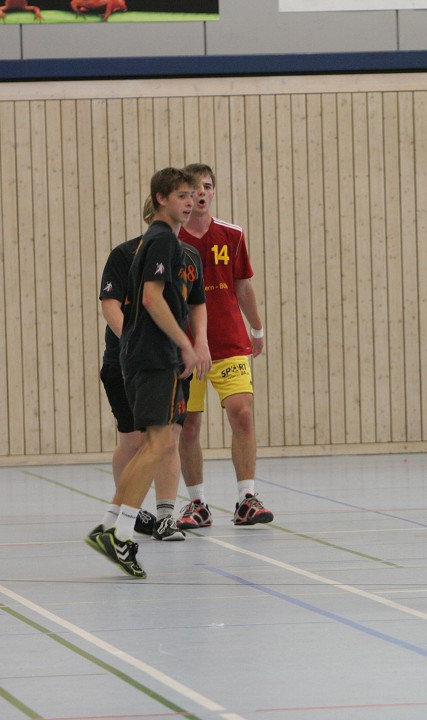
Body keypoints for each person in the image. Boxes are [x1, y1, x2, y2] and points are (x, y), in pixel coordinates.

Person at [86, 168, 211, 578]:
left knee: (154, 444)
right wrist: (185, 343)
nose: (189, 202)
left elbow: (186, 301)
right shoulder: (159, 240)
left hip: (153, 357)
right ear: (160, 199)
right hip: (154, 357)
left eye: (193, 195)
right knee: (156, 444)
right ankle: (117, 532)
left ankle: (111, 529)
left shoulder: (169, 244)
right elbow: (152, 299)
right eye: (181, 196)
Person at [175, 163, 272, 529]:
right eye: (194, 188)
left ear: (213, 192)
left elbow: (244, 286)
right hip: (187, 348)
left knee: (242, 413)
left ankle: (247, 497)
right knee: (189, 426)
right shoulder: (172, 240)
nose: (201, 193)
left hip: (230, 342)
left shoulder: (232, 235)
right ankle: (197, 503)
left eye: (207, 186)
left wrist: (257, 329)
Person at [98, 198, 189, 542]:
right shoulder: (125, 255)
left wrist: (192, 347)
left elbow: (194, 305)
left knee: (168, 439)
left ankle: (166, 515)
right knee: (135, 441)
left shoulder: (185, 256)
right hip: (127, 361)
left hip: (170, 362)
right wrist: (135, 345)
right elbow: (110, 306)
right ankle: (123, 516)